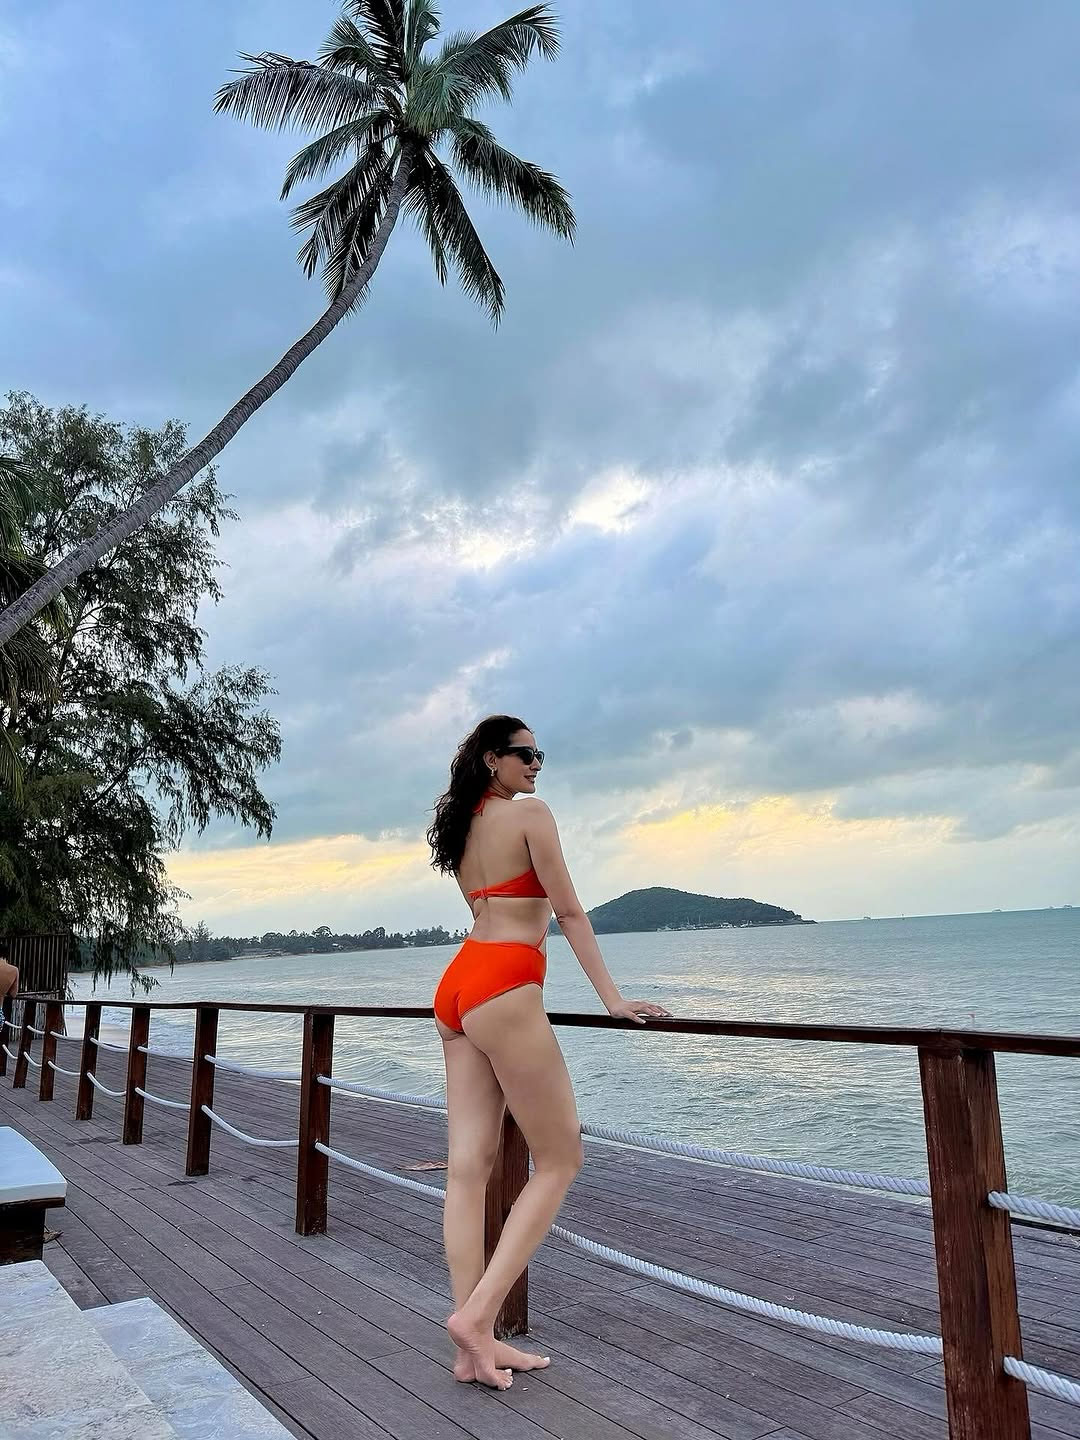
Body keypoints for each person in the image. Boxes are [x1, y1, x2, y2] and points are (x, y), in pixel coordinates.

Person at [427, 715, 671, 1389]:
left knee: (467, 1169)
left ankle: (473, 1348)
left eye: (541, 755)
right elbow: (568, 912)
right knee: (560, 1159)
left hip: (458, 987)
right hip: (505, 985)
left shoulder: (462, 826)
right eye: (524, 754)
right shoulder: (529, 815)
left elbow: (488, 911)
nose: (536, 765)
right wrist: (612, 998)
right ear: (491, 758)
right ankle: (476, 1317)